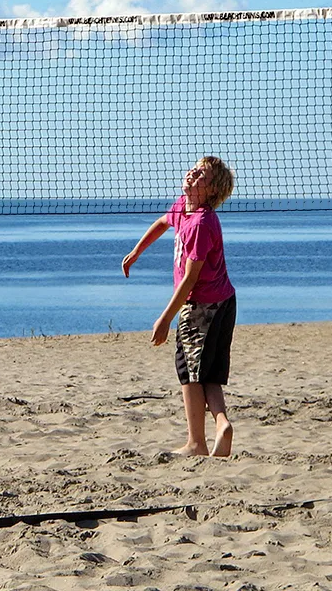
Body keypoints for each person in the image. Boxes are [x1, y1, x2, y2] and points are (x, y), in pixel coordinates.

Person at [122, 156, 237, 457]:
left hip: (204, 306)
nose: (194, 174)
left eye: (203, 175)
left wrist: (165, 318)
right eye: (195, 169)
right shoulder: (183, 208)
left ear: (211, 191)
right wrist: (136, 252)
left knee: (188, 372)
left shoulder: (200, 222)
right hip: (222, 300)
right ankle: (222, 424)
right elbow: (162, 222)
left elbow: (190, 279)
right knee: (207, 374)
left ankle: (196, 443)